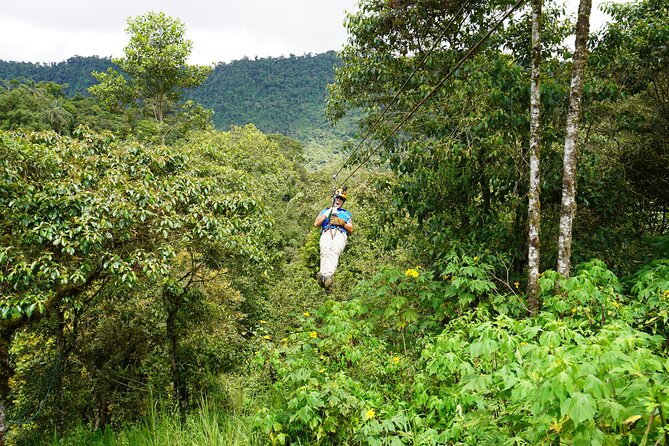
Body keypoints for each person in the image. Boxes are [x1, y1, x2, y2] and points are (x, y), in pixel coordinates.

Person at [313, 188, 353, 293]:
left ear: (343, 202)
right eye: (337, 198)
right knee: (325, 251)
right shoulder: (325, 211)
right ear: (334, 199)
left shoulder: (346, 214)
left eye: (341, 199)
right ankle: (323, 276)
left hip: (340, 233)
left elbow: (351, 229)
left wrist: (342, 223)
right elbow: (316, 223)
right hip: (327, 231)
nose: (339, 201)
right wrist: (327, 214)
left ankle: (328, 276)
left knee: (334, 251)